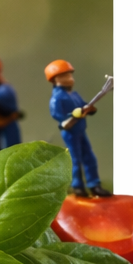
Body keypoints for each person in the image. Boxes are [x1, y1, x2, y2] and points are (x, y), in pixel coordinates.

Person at [45, 60, 104, 197]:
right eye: (65, 76)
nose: (70, 79)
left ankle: (94, 184)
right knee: (75, 159)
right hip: (70, 132)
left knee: (89, 157)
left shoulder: (74, 95)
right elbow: (57, 115)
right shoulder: (57, 98)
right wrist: (74, 114)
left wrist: (89, 109)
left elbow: (84, 106)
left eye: (69, 75)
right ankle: (77, 186)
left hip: (81, 130)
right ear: (55, 79)